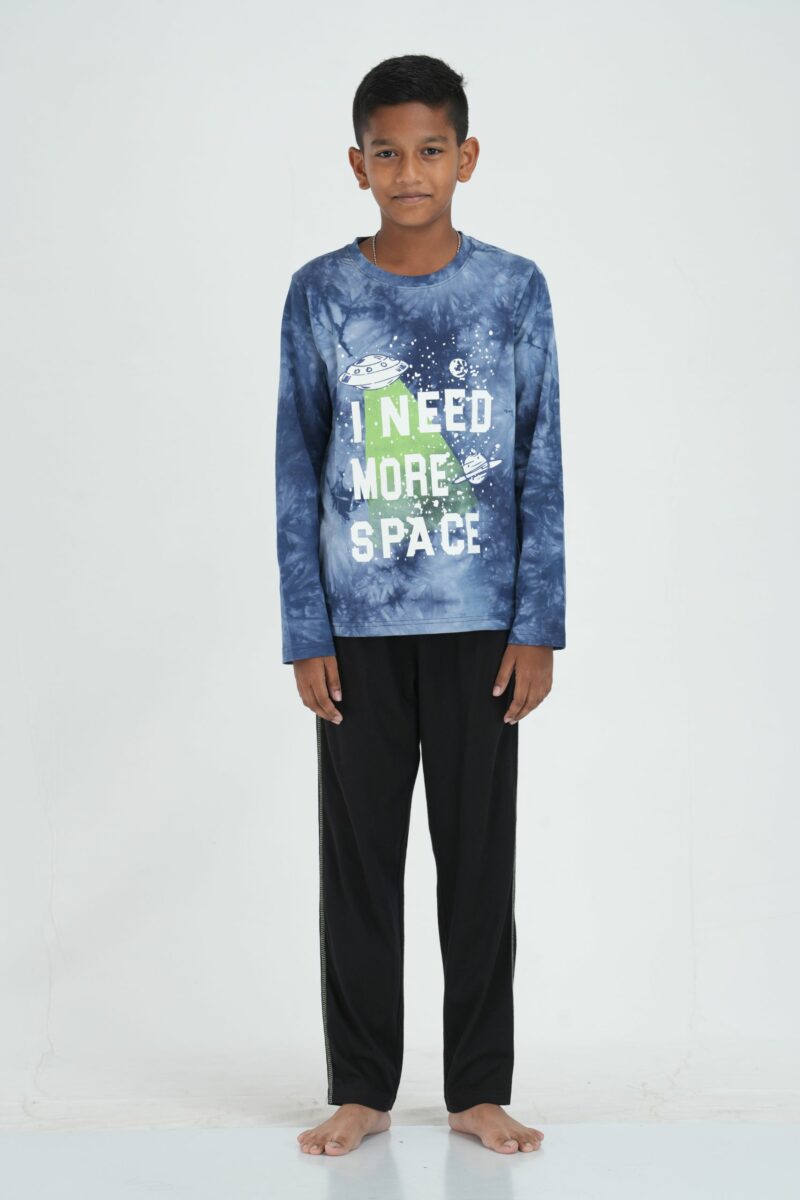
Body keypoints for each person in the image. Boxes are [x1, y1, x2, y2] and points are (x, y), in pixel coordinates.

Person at [275, 53, 565, 1157]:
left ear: (466, 157)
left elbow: (539, 460)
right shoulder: (321, 294)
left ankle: (477, 1088)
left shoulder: (513, 290)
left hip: (480, 627)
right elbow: (295, 465)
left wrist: (537, 624)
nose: (410, 172)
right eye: (387, 153)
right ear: (357, 166)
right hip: (356, 629)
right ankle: (361, 1087)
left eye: (430, 150)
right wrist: (306, 628)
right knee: (359, 866)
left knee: (477, 860)